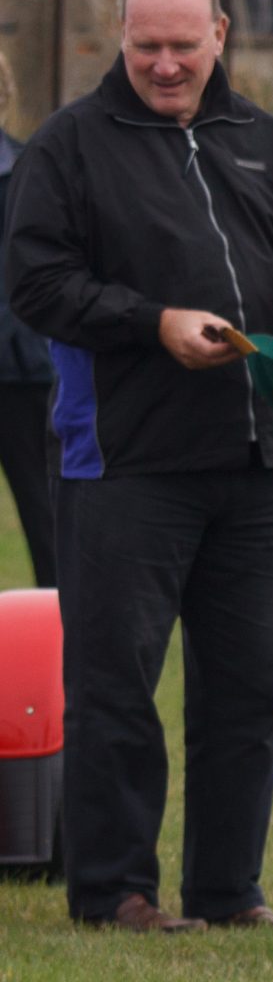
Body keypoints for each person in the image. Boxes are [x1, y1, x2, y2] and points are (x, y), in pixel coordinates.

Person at [5, 0, 273, 934]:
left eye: (183, 45)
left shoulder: (259, 139)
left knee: (250, 686)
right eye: (146, 45)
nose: (166, 64)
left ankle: (227, 889)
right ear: (118, 40)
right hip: (126, 461)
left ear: (221, 34)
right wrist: (150, 318)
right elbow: (35, 286)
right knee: (116, 682)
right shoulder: (68, 150)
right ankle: (115, 888)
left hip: (259, 462)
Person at [0, 47, 57, 586]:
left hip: (22, 367)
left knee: (48, 521)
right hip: (24, 357)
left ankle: (61, 655)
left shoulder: (27, 169)